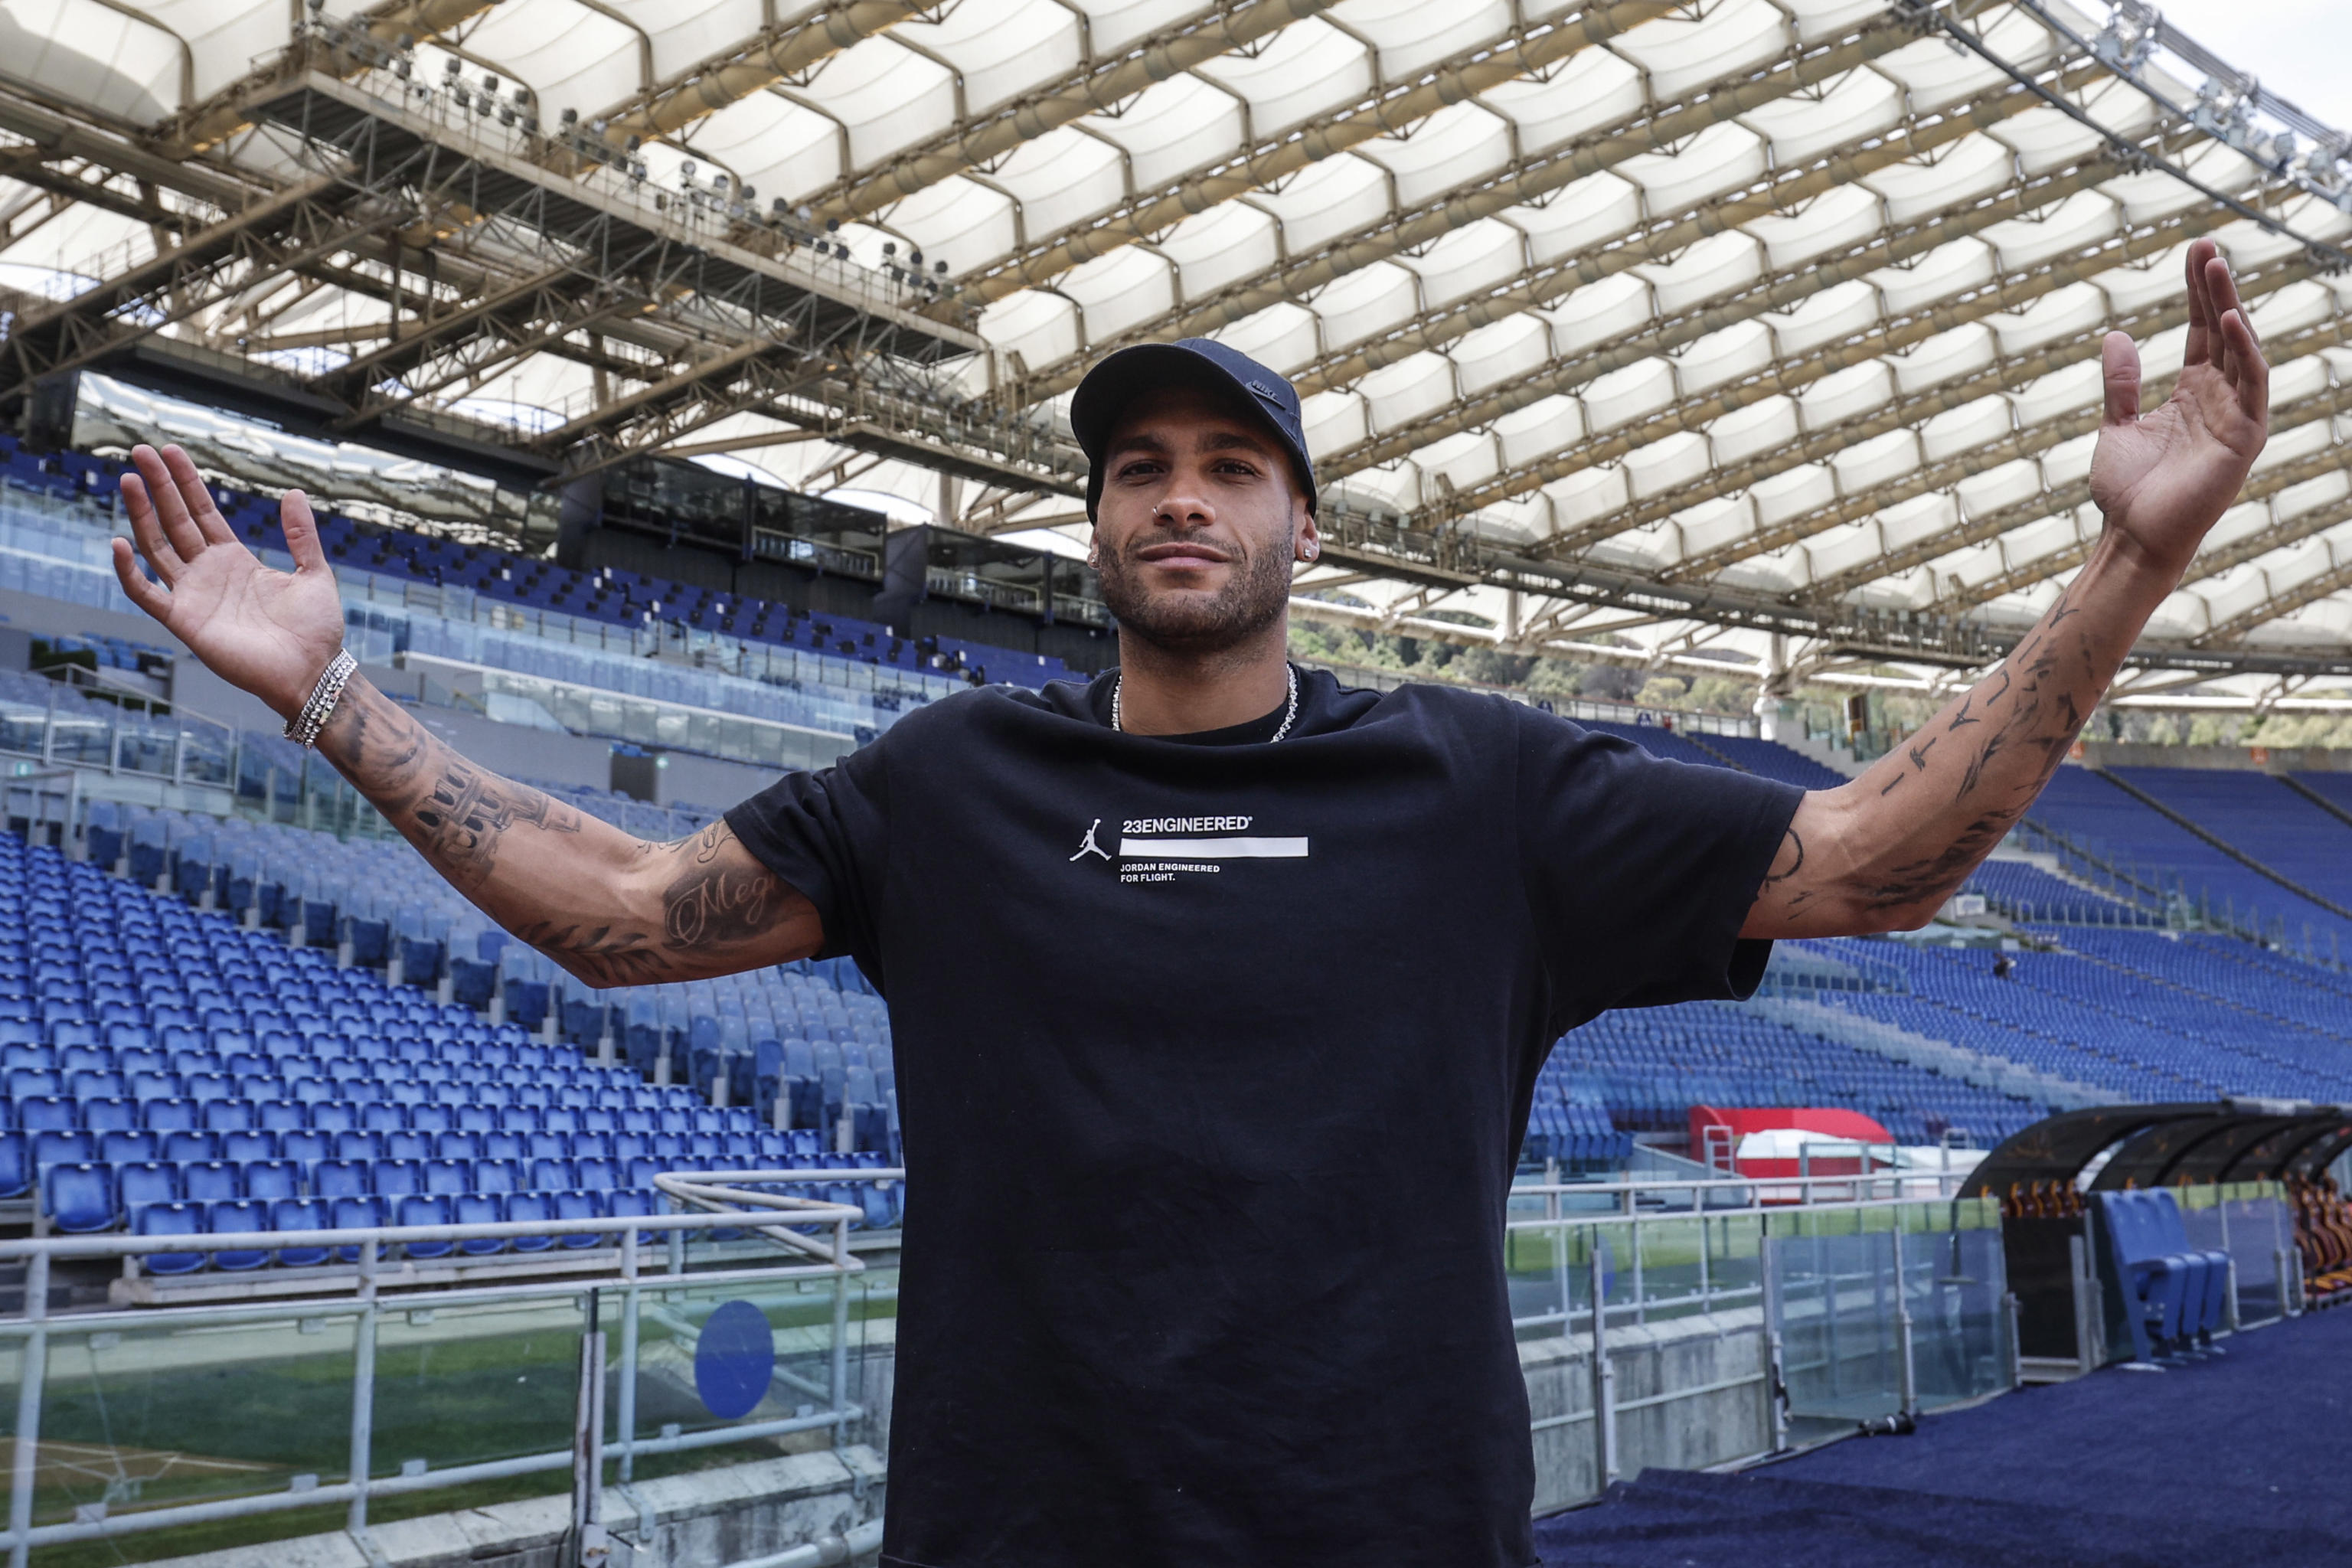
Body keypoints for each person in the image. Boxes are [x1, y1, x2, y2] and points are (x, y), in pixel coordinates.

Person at [109, 237, 2267, 1568]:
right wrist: (329, 694)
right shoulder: (953, 782)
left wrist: (2133, 561)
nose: (1180, 496)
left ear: (1305, 526)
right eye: (1138, 467)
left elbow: (1876, 858)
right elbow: (619, 905)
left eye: (1231, 466)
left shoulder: (1477, 782)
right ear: (1095, 525)